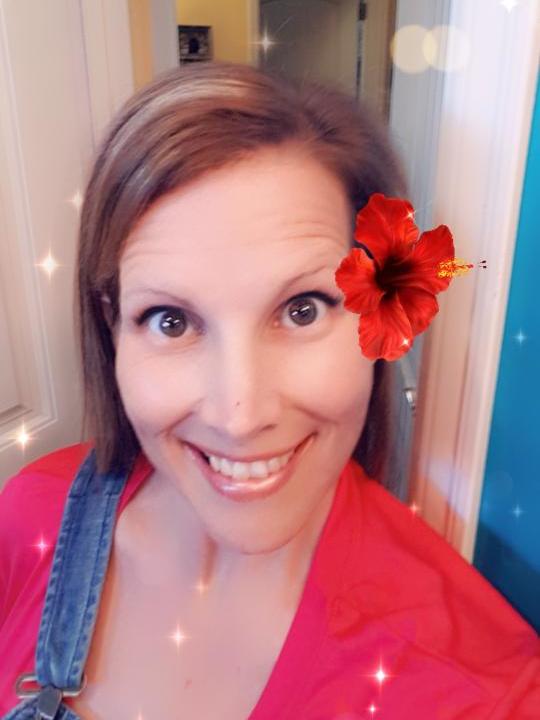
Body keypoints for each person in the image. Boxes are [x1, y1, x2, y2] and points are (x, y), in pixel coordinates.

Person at [0, 61, 538, 720]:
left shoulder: (482, 693)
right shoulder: (32, 514)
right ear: (113, 327)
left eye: (303, 310)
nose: (241, 415)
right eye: (171, 321)